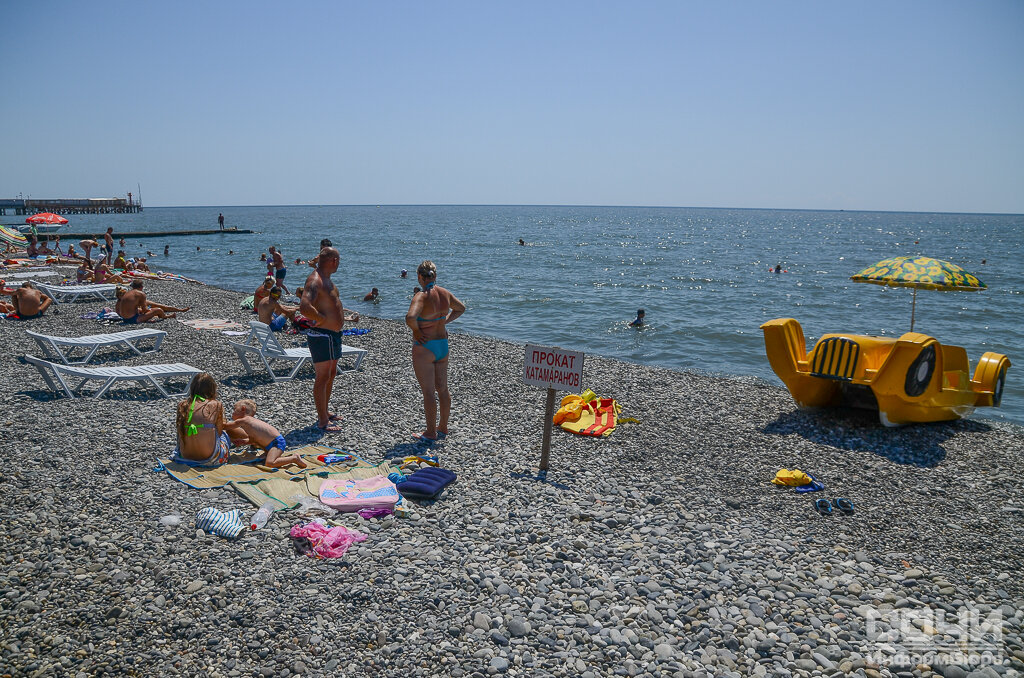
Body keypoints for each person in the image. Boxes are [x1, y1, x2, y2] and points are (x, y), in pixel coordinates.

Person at [405, 261, 466, 441]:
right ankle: (443, 427)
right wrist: (443, 321)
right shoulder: (444, 293)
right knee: (443, 389)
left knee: (429, 392)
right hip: (442, 345)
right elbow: (460, 308)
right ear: (435, 275)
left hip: (426, 347)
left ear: (419, 277)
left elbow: (410, 317)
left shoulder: (421, 296)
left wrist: (417, 331)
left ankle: (430, 432)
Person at [300, 247, 344, 432]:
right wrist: (320, 318)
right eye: (339, 260)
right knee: (323, 377)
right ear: (334, 261)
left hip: (332, 335)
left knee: (331, 374)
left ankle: (325, 411)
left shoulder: (326, 278)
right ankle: (322, 420)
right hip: (322, 335)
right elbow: (304, 306)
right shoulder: (315, 280)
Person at [226, 400, 307, 469]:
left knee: (270, 463)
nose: (232, 412)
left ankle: (294, 458)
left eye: (234, 409)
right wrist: (244, 441)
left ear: (243, 409)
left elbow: (227, 426)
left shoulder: (245, 420)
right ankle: (270, 455)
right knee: (264, 455)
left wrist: (220, 421)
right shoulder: (249, 424)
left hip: (276, 443)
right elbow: (253, 439)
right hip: (270, 444)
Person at [174, 373, 233, 466]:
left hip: (185, 456)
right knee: (224, 435)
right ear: (212, 389)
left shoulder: (182, 405)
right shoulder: (216, 404)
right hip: (209, 458)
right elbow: (219, 432)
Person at [115, 279, 189, 323]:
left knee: (151, 309)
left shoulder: (128, 293)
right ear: (142, 287)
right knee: (158, 310)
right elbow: (145, 310)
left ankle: (173, 312)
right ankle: (166, 316)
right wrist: (150, 310)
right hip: (133, 319)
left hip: (124, 319)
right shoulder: (141, 294)